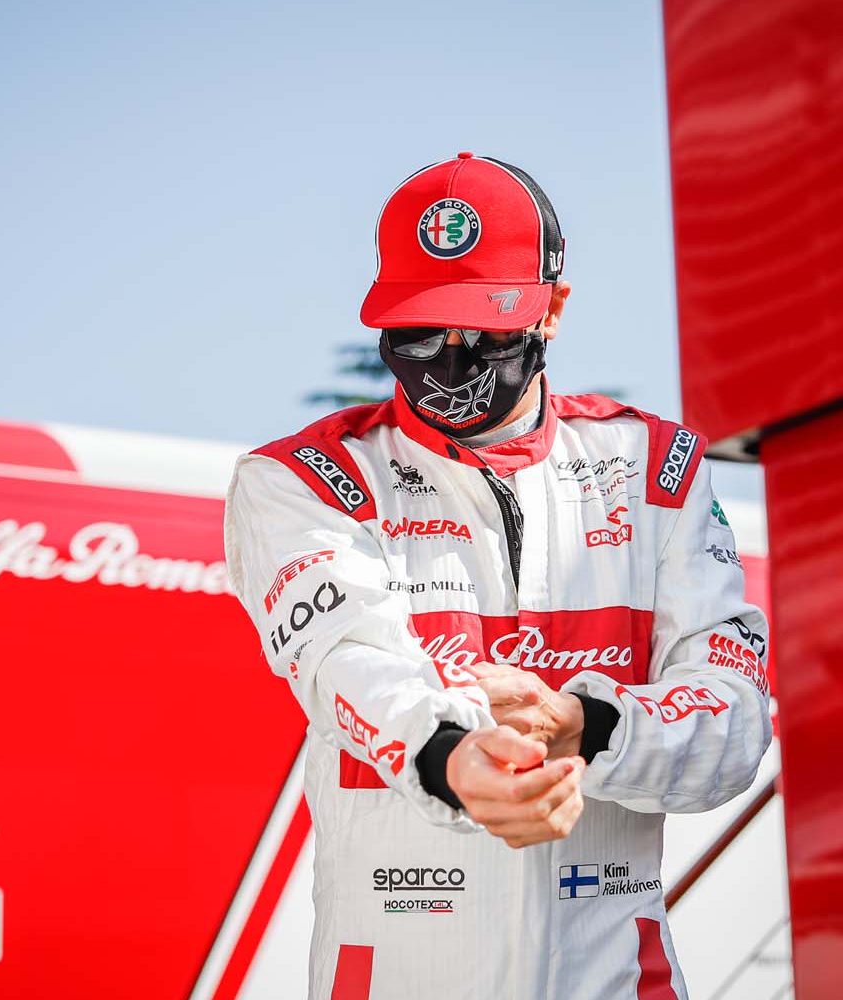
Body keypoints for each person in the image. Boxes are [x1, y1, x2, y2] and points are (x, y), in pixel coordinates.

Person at [222, 152, 772, 1000]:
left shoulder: (655, 468)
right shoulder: (303, 481)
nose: (450, 358)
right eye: (419, 330)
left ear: (554, 307)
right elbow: (349, 660)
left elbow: (734, 724)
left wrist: (585, 725)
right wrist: (453, 758)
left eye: (483, 330)